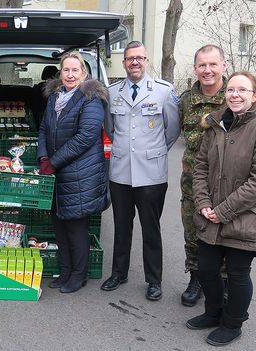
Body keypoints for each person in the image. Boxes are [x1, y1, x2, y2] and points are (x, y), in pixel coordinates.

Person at [188, 71, 256, 346]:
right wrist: (205, 204)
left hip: (245, 217)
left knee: (238, 273)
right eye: (231, 90)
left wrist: (222, 211)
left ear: (254, 95)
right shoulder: (217, 125)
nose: (235, 95)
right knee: (206, 268)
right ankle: (213, 313)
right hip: (212, 214)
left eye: (242, 90)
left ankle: (232, 323)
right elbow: (200, 168)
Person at [101, 41, 180, 301]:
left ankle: (154, 280)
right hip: (121, 171)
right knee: (122, 226)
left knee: (151, 228)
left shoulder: (163, 92)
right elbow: (111, 129)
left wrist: (152, 151)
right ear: (124, 63)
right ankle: (119, 273)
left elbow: (171, 131)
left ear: (147, 61)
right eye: (130, 58)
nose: (134, 62)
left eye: (139, 58)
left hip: (151, 173)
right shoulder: (113, 93)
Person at [37, 51, 110, 293]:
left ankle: (79, 276)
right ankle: (66, 271)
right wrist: (43, 156)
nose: (70, 74)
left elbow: (85, 137)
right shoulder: (55, 97)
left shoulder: (91, 99)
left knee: (76, 226)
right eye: (66, 70)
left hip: (80, 174)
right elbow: (44, 129)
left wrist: (54, 162)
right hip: (57, 171)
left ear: (83, 73)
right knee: (59, 224)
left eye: (75, 70)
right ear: (61, 72)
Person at [178, 45, 228, 307]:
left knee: (226, 234)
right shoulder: (186, 100)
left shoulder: (236, 95)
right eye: (202, 65)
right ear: (195, 68)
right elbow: (172, 132)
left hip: (227, 184)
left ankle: (224, 283)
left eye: (212, 64)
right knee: (193, 232)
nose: (207, 70)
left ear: (224, 65)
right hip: (192, 184)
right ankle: (196, 279)